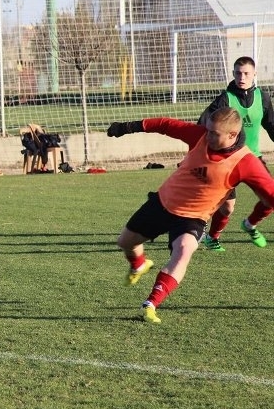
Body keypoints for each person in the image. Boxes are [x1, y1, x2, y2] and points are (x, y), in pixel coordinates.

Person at [107, 108, 274, 324]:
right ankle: (138, 264)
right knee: (125, 243)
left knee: (184, 250)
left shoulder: (246, 162)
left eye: (214, 133)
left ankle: (150, 304)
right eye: (208, 130)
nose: (208, 135)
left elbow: (270, 197)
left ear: (232, 135)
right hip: (162, 203)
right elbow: (165, 124)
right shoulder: (200, 135)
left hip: (194, 217)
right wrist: (127, 127)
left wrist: (254, 219)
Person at [199, 56, 274, 251]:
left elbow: (271, 126)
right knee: (227, 207)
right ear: (233, 74)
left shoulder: (263, 98)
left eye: (246, 73)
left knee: (271, 197)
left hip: (252, 158)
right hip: (228, 160)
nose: (242, 77)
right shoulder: (225, 99)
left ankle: (249, 224)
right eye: (238, 73)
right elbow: (203, 123)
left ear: (254, 74)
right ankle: (212, 237)